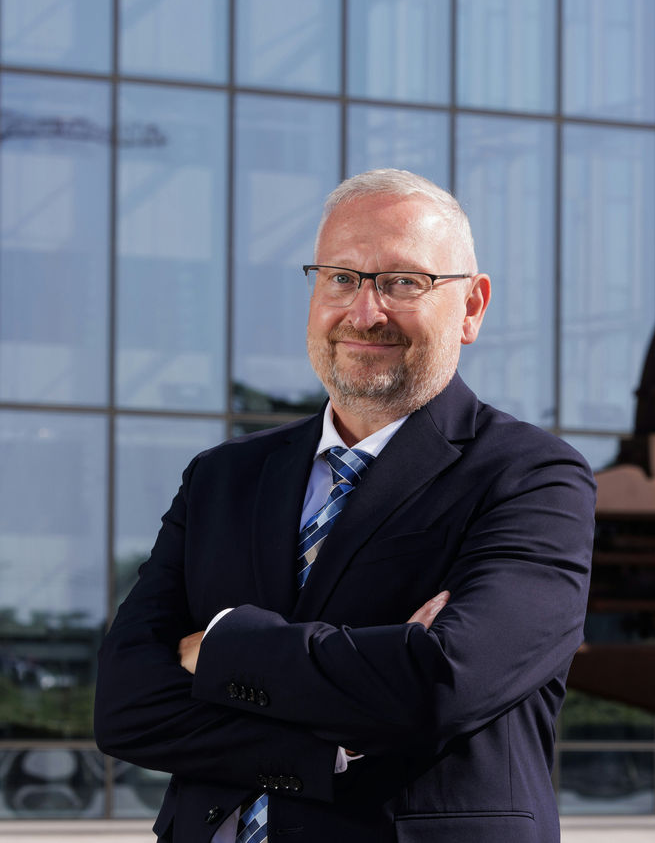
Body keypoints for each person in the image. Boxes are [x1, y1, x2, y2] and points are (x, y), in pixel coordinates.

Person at [95, 169, 596, 843]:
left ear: (472, 307)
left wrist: (217, 648)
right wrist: (329, 741)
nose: (364, 312)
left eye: (404, 282)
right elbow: (124, 705)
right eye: (341, 278)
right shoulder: (223, 476)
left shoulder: (532, 477)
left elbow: (442, 683)